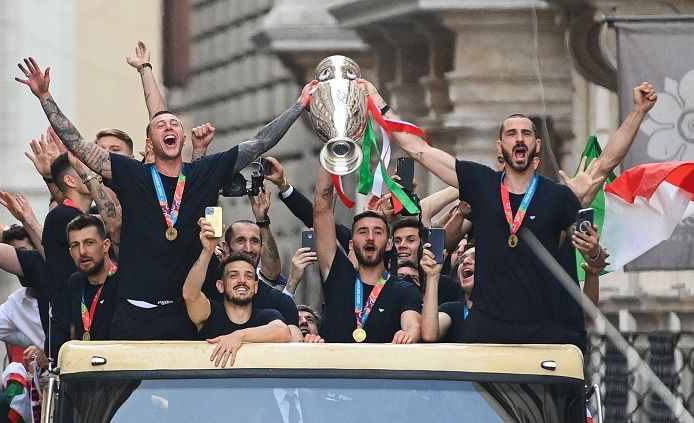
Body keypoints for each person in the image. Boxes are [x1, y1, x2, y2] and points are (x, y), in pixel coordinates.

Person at [16, 57, 316, 341]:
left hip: (186, 312)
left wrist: (299, 105)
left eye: (175, 125)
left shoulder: (205, 172)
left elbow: (260, 142)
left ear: (183, 139)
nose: (169, 128)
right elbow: (78, 145)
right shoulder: (131, 173)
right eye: (160, 126)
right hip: (135, 312)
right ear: (150, 142)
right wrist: (45, 97)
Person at [359, 79, 589, 348]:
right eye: (511, 133)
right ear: (500, 145)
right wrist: (377, 101)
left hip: (542, 331)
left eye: (525, 133)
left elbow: (586, 243)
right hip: (488, 329)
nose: (519, 139)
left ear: (536, 145)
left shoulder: (557, 196)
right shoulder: (482, 183)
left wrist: (638, 113)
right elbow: (419, 149)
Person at [313, 166, 422, 343]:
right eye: (362, 232)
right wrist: (330, 152)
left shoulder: (404, 290)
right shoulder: (338, 275)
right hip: (336, 370)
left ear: (388, 244)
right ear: (351, 243)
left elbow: (413, 324)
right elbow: (321, 211)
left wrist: (408, 334)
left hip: (379, 370)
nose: (370, 237)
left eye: (378, 232)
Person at [183, 218, 291, 367]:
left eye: (248, 276)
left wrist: (239, 336)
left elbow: (283, 332)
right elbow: (190, 295)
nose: (242, 281)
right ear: (220, 286)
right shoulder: (210, 313)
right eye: (233, 275)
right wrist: (207, 251)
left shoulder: (268, 316)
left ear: (256, 286)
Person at [203, 216, 302, 341]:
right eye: (240, 241)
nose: (248, 249)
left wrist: (311, 342)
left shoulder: (280, 303)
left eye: (254, 241)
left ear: (262, 248)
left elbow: (296, 346)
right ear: (226, 248)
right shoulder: (207, 294)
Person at [65, 215, 119, 341]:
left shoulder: (123, 281)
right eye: (75, 245)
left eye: (89, 243)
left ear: (105, 245)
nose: (82, 251)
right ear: (70, 252)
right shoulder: (75, 282)